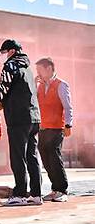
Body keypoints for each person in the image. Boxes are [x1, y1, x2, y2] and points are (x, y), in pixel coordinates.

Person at [0, 39, 42, 207]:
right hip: (34, 118)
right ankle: (36, 194)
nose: (1, 56)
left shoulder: (10, 66)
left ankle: (19, 194)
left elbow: (2, 90)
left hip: (18, 120)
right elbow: (17, 92)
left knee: (18, 157)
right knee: (31, 156)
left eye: (3, 52)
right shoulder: (27, 68)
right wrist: (3, 103)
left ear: (11, 52)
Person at [35, 57, 74, 203]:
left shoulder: (61, 85)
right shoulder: (39, 85)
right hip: (42, 127)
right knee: (45, 158)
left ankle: (62, 190)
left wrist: (68, 125)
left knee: (54, 155)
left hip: (57, 128)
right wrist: (34, 82)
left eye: (40, 70)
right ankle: (54, 189)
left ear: (49, 68)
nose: (38, 73)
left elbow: (68, 107)